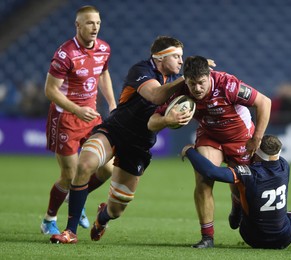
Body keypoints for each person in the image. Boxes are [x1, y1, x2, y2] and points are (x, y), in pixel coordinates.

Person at [49, 35, 190, 244]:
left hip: (139, 147)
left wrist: (199, 77)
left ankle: (102, 217)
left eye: (182, 57)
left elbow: (156, 120)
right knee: (85, 163)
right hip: (115, 131)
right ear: (159, 57)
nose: (181, 61)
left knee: (117, 210)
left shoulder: (176, 83)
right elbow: (155, 96)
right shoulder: (141, 70)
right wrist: (185, 79)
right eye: (176, 56)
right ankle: (70, 232)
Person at [148, 56, 271, 248]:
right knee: (204, 178)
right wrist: (166, 120)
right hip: (210, 136)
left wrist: (257, 138)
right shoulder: (180, 91)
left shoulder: (228, 85)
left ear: (209, 76)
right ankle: (207, 237)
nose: (197, 89)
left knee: (244, 190)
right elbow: (151, 122)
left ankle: (237, 203)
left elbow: (264, 102)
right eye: (192, 84)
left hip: (240, 138)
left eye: (201, 83)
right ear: (185, 80)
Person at [41, 5, 116, 235]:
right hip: (65, 118)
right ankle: (49, 219)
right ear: (78, 25)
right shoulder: (65, 54)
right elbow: (50, 90)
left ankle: (76, 199)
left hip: (91, 117)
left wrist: (112, 103)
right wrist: (76, 110)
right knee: (69, 174)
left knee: (107, 169)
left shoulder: (104, 48)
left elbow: (102, 73)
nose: (95, 27)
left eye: (98, 23)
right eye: (89, 23)